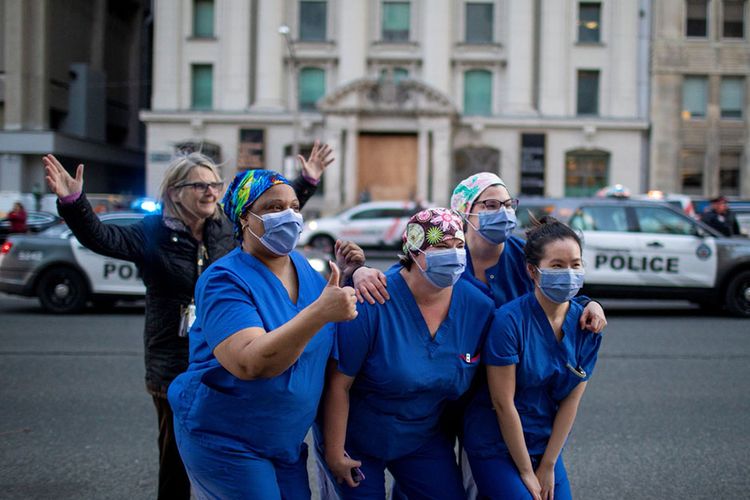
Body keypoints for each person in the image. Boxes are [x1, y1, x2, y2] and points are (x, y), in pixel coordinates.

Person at [42, 142, 333, 500]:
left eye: (214, 184)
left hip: (226, 342)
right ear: (175, 193)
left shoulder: (222, 228)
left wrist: (306, 180)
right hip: (175, 352)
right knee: (176, 452)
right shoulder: (151, 232)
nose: (211, 191)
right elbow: (102, 237)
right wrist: (74, 204)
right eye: (200, 185)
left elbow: (266, 204)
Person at [167, 168, 358, 499]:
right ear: (244, 218)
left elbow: (325, 361)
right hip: (227, 439)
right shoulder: (224, 280)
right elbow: (250, 363)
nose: (289, 216)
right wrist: (319, 312)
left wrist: (353, 275)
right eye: (273, 208)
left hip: (283, 442)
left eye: (295, 207)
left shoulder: (308, 274)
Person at [321, 208, 495, 499]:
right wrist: (335, 452)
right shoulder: (373, 300)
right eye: (440, 247)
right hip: (358, 437)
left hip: (421, 438)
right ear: (413, 251)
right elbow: (339, 384)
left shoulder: (477, 307)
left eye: (458, 246)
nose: (452, 255)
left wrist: (583, 305)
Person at [463, 216, 603, 500]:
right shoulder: (508, 322)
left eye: (575, 265)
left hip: (544, 441)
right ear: (532, 271)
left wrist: (549, 464)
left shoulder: (587, 325)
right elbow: (503, 404)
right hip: (497, 442)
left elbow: (571, 401)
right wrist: (527, 471)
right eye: (557, 266)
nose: (569, 273)